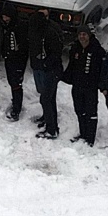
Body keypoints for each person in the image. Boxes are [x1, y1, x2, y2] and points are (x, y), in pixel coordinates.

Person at [27, 8, 64, 139]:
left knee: (46, 99)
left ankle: (51, 129)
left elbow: (56, 52)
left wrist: (45, 64)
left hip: (51, 70)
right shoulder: (38, 31)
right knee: (48, 97)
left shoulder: (50, 32)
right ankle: (49, 119)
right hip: (43, 68)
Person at [64, 27, 104, 145]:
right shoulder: (75, 48)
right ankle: (83, 133)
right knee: (79, 110)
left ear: (89, 35)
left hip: (90, 87)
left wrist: (101, 84)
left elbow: (102, 70)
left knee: (91, 112)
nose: (82, 37)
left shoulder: (97, 50)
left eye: (84, 34)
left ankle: (90, 138)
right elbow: (71, 65)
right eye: (80, 34)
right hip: (77, 86)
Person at [0, 9, 28, 122]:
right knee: (12, 81)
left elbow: (24, 46)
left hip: (18, 60)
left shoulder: (20, 27)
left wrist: (19, 56)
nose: (5, 19)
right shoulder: (5, 26)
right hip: (9, 59)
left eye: (7, 17)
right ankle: (15, 102)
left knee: (16, 83)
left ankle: (17, 108)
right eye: (4, 16)